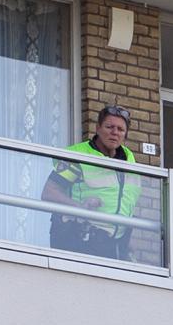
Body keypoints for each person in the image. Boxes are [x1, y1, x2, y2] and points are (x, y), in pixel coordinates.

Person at [41, 105, 141, 260]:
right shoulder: (79, 155)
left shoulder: (130, 160)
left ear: (125, 134)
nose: (115, 132)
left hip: (116, 246)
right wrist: (80, 208)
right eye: (109, 127)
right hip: (79, 238)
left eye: (120, 129)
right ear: (98, 128)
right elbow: (49, 193)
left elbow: (127, 202)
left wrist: (129, 241)